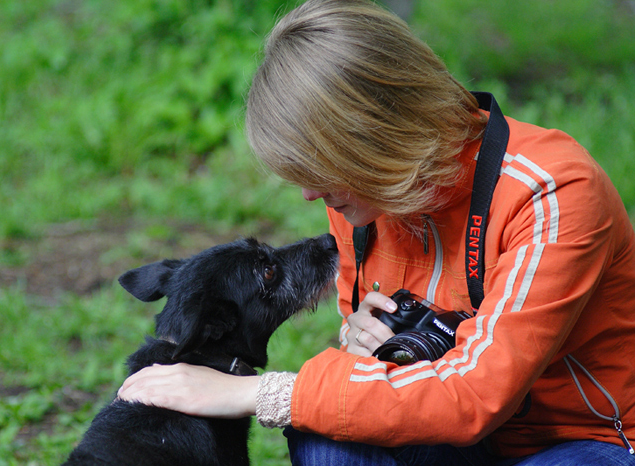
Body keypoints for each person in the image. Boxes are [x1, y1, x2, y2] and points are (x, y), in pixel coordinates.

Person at [117, 0, 635, 464]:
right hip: (451, 437)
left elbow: (476, 393)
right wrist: (360, 339)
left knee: (314, 412)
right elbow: (375, 376)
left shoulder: (551, 193)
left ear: (376, 134)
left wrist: (255, 393)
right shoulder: (365, 195)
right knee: (324, 436)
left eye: (319, 168)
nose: (308, 195)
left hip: (584, 442)